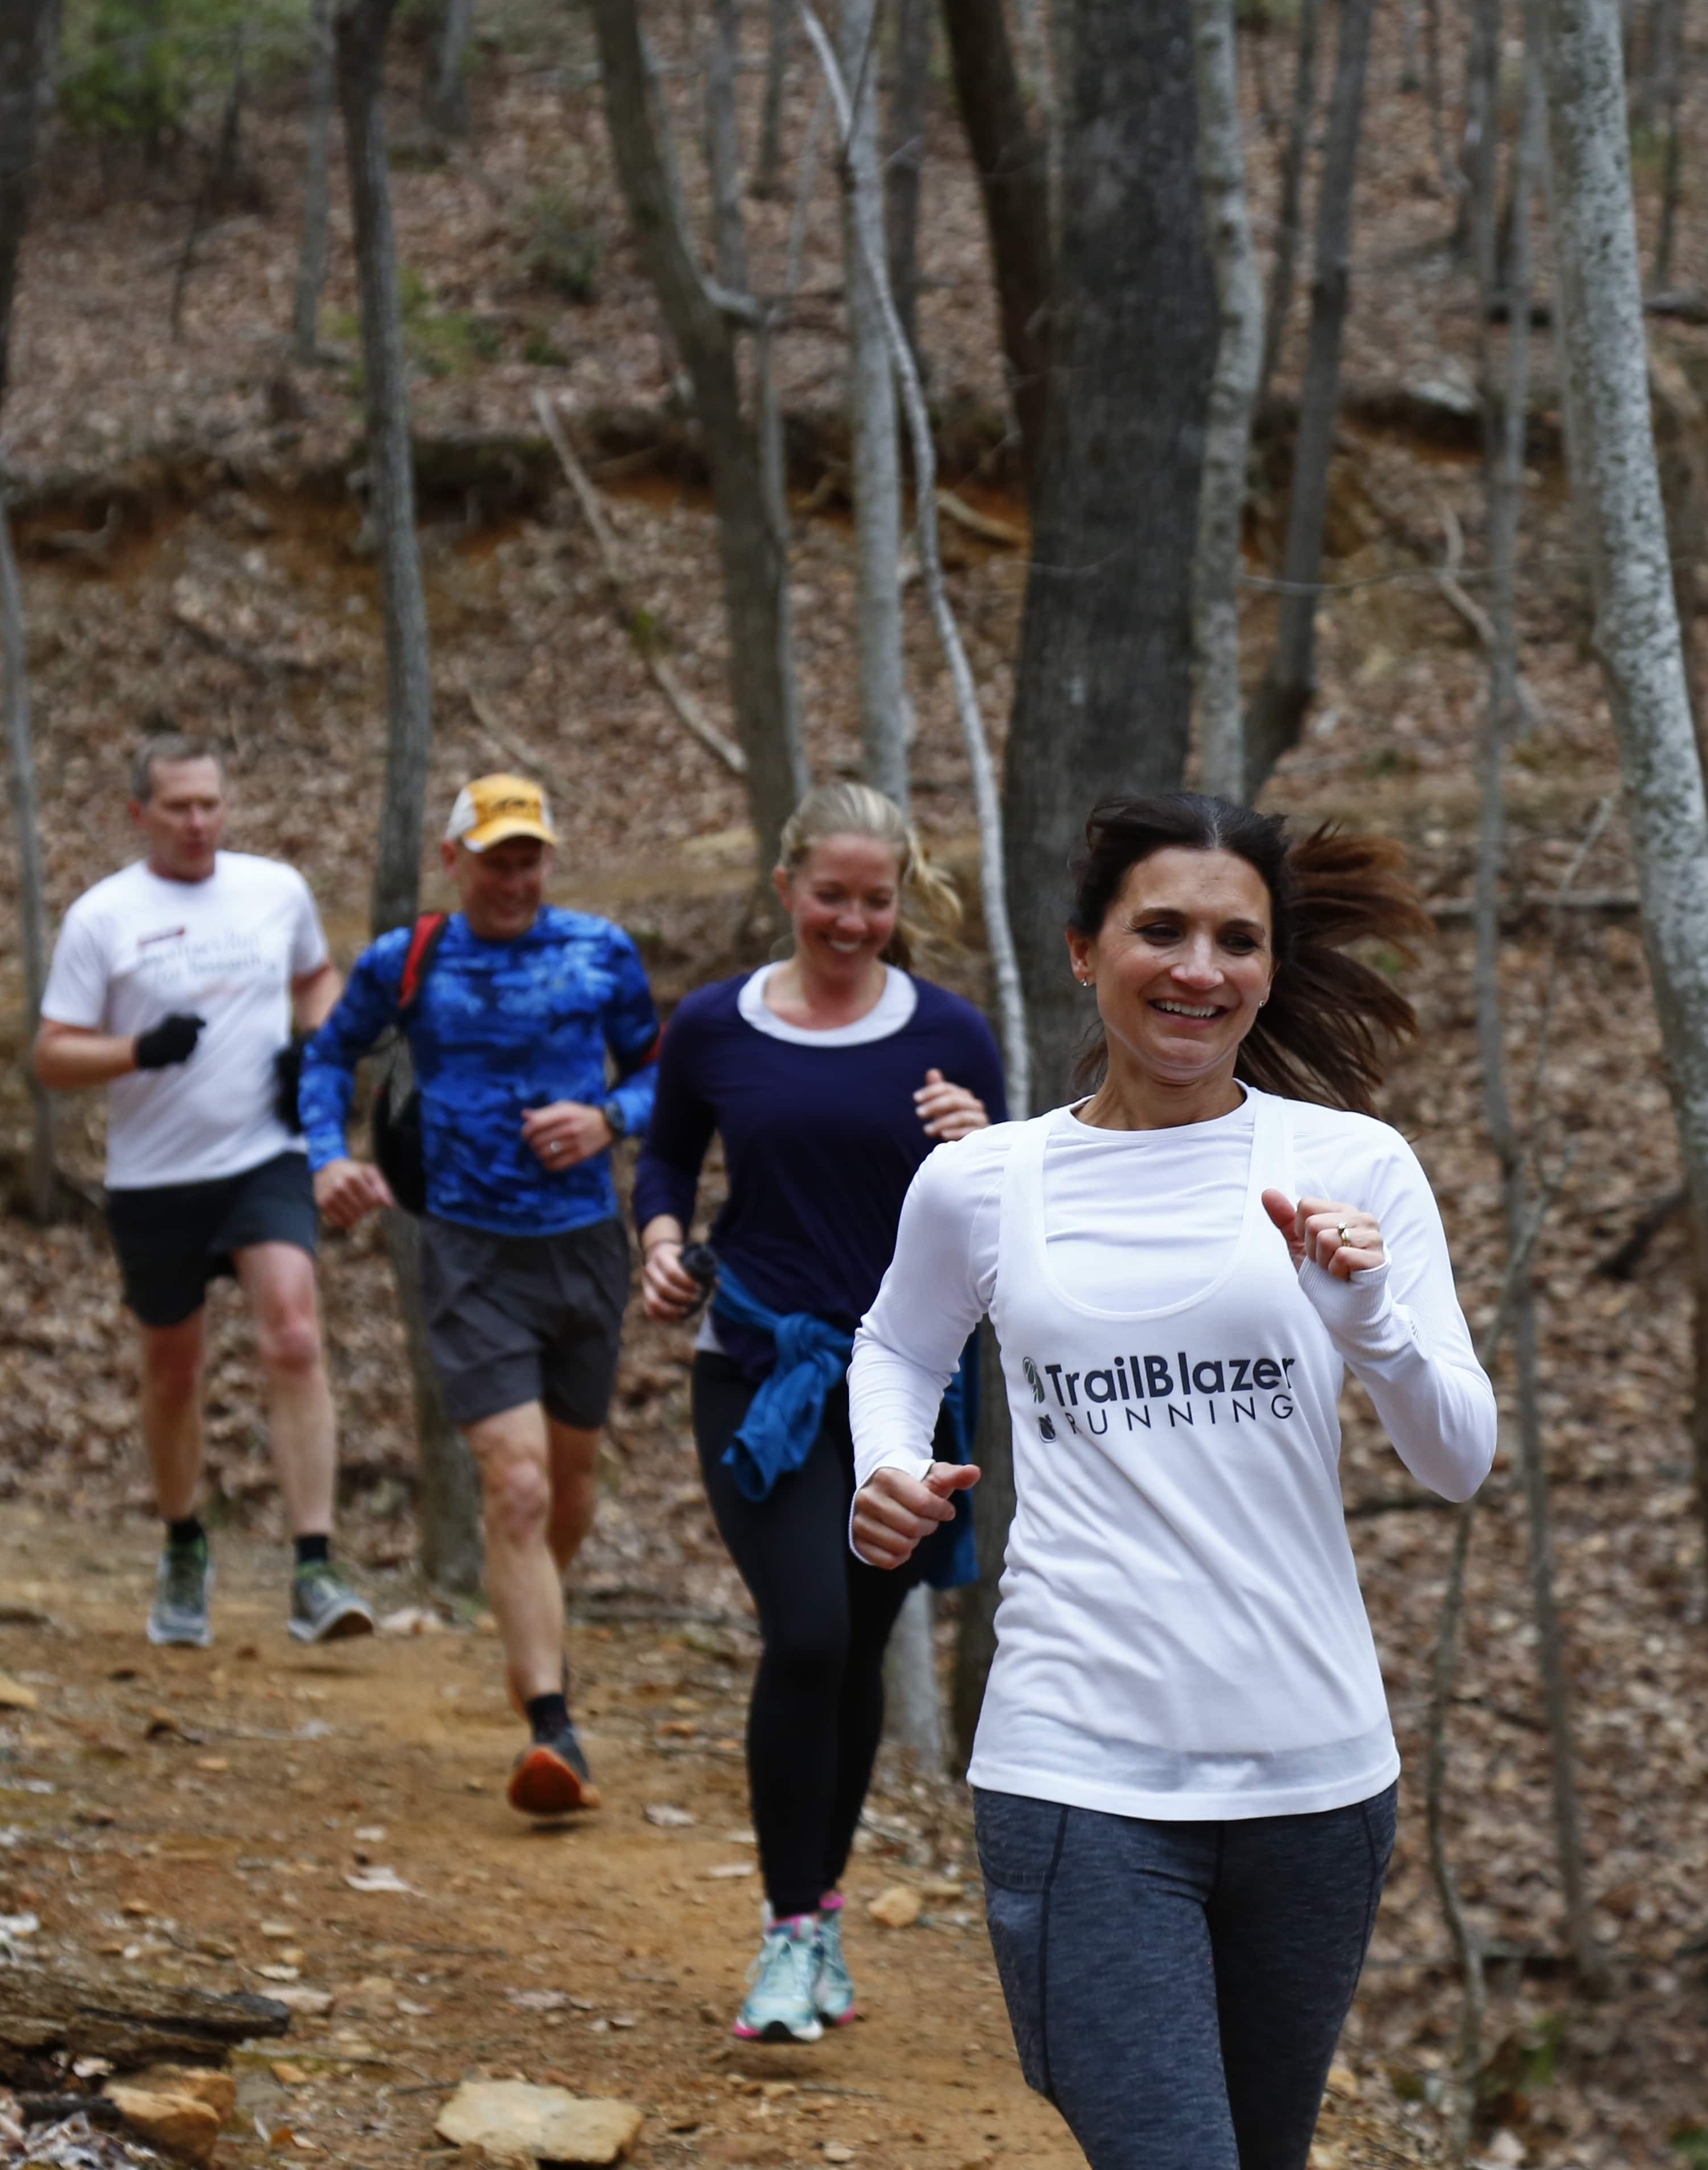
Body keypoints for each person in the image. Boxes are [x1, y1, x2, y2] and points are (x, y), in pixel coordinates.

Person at [845, 793, 1494, 2170]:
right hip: (1082, 1767)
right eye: (1163, 930)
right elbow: (896, 1346)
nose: (1201, 968)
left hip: (1315, 1783)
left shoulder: (1352, 1165)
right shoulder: (985, 1182)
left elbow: (1457, 1458)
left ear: (1269, 966)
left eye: (1236, 939)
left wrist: (1368, 1315)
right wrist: (887, 1466)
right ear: (1086, 951)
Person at [634, 783, 1007, 2045]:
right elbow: (666, 1161)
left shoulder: (951, 1032)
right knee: (803, 1635)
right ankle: (791, 1932)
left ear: (903, 899)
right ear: (788, 885)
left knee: (851, 1647)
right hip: (761, 1377)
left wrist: (985, 1140)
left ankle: (822, 1913)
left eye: (877, 899)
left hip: (910, 1392)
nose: (853, 920)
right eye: (831, 895)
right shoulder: (710, 1026)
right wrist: (664, 1241)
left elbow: (1007, 1215)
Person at [303, 773, 659, 1817]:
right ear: (454, 860)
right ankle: (553, 1730)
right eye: (495, 857)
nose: (514, 877)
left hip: (585, 1247)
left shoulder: (600, 951)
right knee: (515, 1485)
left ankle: (526, 1626)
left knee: (568, 1486)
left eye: (529, 856)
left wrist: (609, 1121)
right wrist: (327, 1159)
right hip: (464, 1252)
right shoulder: (408, 961)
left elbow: (660, 1066)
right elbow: (329, 1059)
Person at [35, 736, 380, 1650]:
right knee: (174, 1368)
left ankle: (314, 1565)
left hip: (263, 1154)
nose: (198, 822)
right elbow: (52, 1053)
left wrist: (320, 1042)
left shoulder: (276, 891)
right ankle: (185, 1542)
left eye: (211, 804)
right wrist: (137, 1052)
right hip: (155, 1177)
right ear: (137, 814)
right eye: (179, 806)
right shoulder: (102, 917)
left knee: (295, 1334)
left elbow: (315, 976)